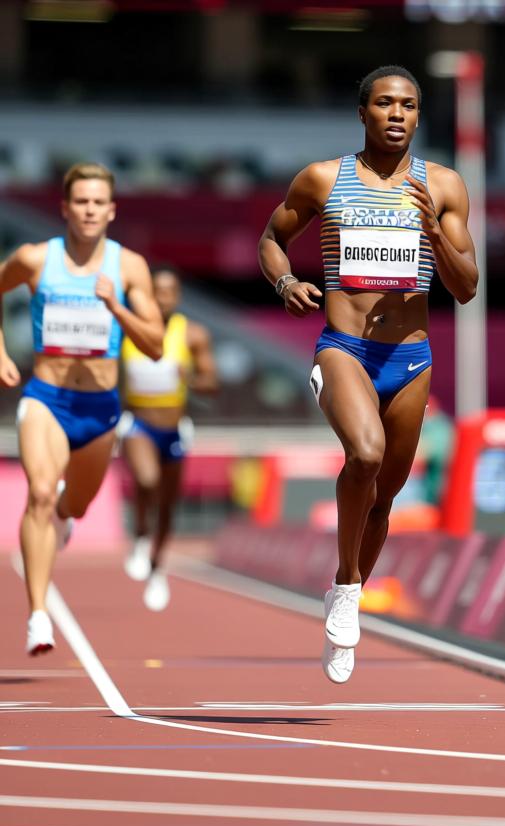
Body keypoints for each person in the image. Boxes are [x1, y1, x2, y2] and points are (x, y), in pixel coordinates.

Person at [257, 65, 478, 684]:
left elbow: (466, 287)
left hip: (411, 359)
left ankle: (344, 585)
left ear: (418, 113)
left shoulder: (444, 186)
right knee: (365, 453)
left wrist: (433, 232)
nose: (397, 115)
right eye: (384, 103)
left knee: (384, 496)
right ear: (363, 112)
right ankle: (350, 585)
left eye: (408, 105)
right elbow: (272, 238)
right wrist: (285, 280)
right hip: (345, 348)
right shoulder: (323, 178)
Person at [0, 162, 164, 655]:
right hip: (45, 398)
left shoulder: (129, 266)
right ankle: (38, 616)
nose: (89, 210)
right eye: (81, 202)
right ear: (65, 208)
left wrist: (117, 308)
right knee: (42, 494)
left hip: (99, 408)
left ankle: (68, 518)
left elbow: (155, 344)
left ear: (111, 211)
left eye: (98, 203)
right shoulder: (34, 259)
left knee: (74, 505)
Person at [119, 265, 218, 611]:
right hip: (137, 423)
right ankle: (140, 534)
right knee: (146, 480)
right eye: (155, 292)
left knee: (168, 504)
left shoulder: (192, 334)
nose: (162, 299)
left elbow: (212, 383)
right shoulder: (126, 332)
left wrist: (189, 376)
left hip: (174, 427)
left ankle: (157, 568)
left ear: (177, 296)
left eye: (169, 292)